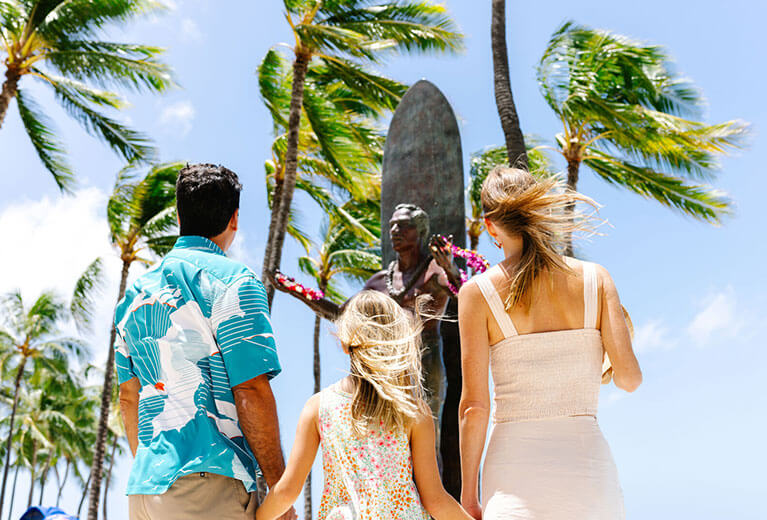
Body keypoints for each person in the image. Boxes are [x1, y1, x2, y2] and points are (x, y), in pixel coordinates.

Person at [458, 167, 642, 520]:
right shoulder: (596, 278)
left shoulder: (477, 294)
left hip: (513, 472)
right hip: (589, 472)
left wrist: (469, 495)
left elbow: (474, 408)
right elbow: (630, 380)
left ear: (490, 224)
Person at [114, 164, 296, 520]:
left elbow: (128, 397)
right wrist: (279, 491)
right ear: (235, 219)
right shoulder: (234, 282)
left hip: (145, 491)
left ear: (179, 216)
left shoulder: (134, 295)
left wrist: (155, 471)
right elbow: (251, 391)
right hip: (210, 483)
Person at [255, 291, 473, 520]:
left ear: (345, 342)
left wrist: (258, 517)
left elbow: (287, 491)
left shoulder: (319, 407)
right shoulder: (413, 412)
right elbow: (435, 501)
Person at [273, 203, 462, 422]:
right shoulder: (381, 280)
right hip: (387, 367)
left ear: (420, 231)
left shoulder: (433, 270)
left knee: (427, 435)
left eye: (403, 226)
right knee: (390, 437)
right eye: (392, 226)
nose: (395, 231)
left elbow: (458, 290)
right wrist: (297, 291)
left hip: (424, 363)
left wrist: (449, 267)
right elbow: (341, 312)